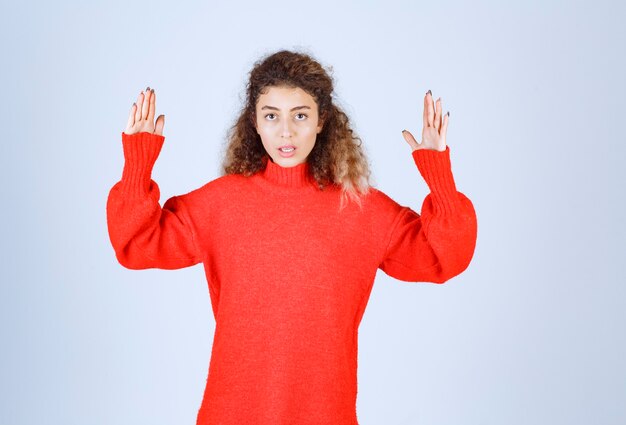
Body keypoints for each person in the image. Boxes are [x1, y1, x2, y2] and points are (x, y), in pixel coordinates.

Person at [106, 49, 477, 425]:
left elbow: (445, 257)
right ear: (255, 122)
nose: (286, 131)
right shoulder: (221, 203)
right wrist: (138, 162)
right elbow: (136, 244)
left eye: (300, 115)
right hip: (231, 414)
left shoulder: (362, 209)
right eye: (272, 116)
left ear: (321, 121)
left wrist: (439, 175)